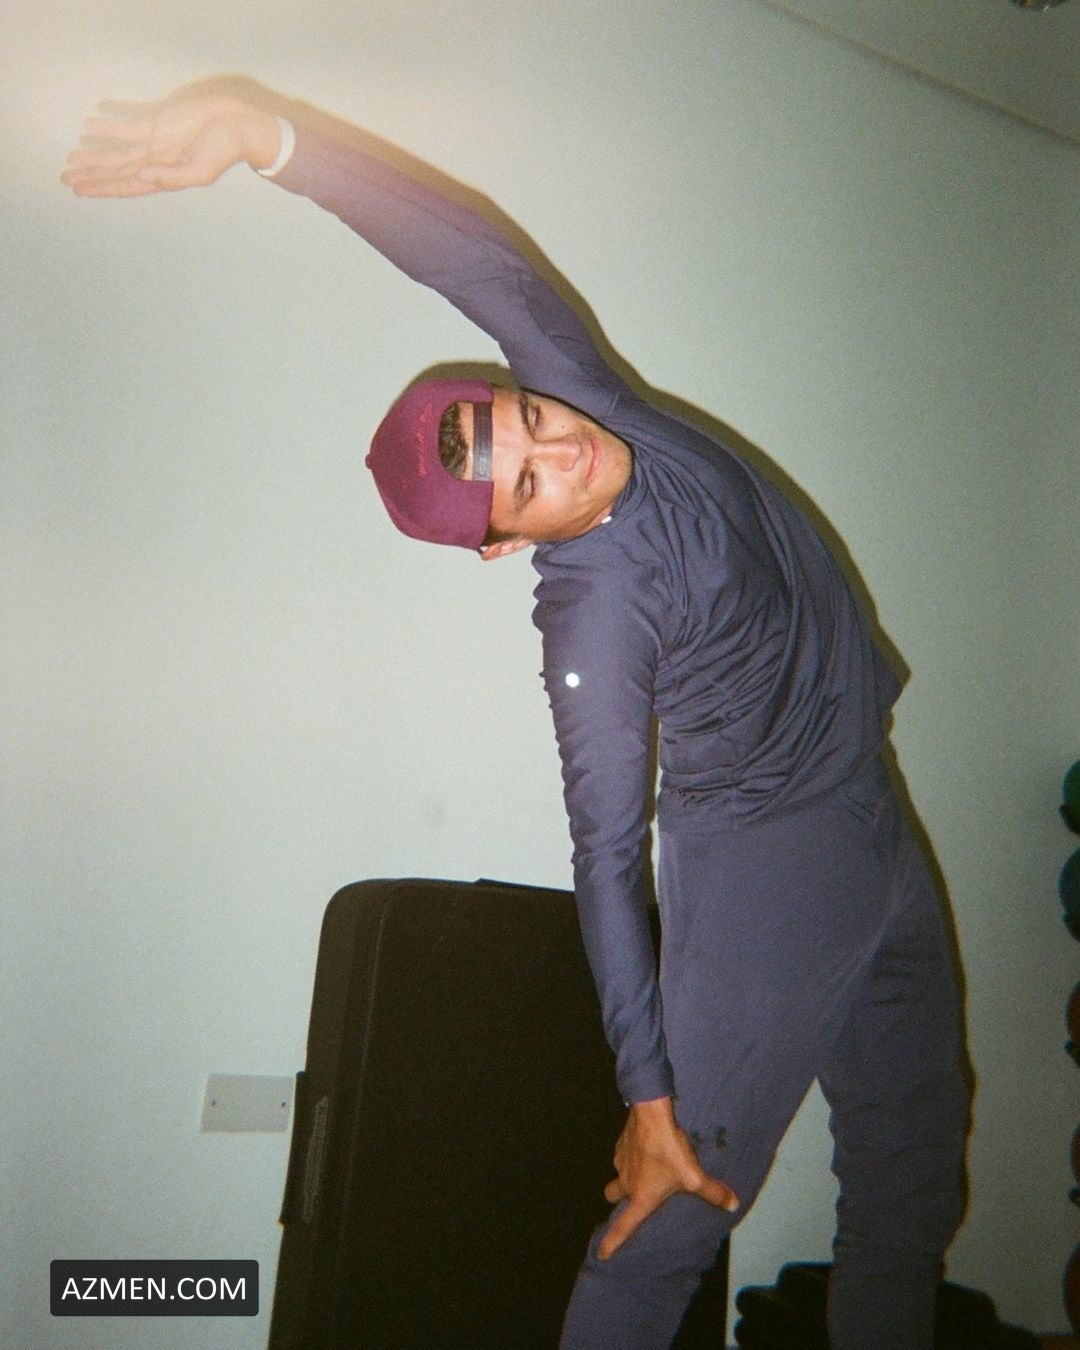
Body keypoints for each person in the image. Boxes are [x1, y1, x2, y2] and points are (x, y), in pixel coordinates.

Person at [62, 84, 970, 1349]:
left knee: (913, 1177)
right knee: (667, 1221)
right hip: (773, 867)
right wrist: (646, 1094)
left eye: (531, 420)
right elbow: (604, 855)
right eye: (531, 485)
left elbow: (472, 249)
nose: (568, 452)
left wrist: (271, 135)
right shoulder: (596, 617)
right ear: (504, 546)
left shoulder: (588, 396)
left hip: (874, 808)